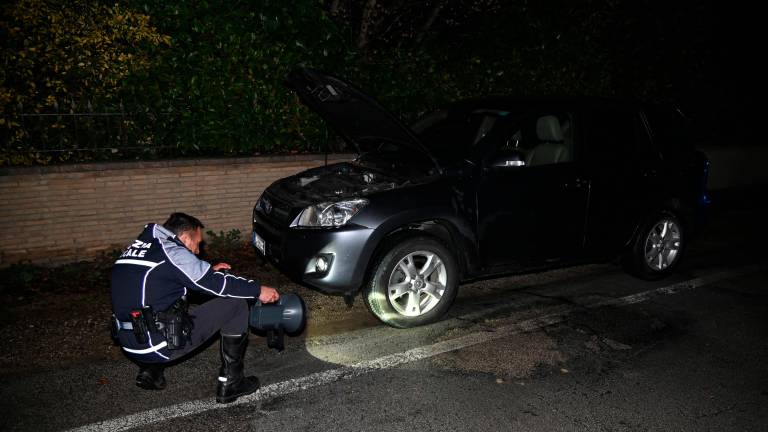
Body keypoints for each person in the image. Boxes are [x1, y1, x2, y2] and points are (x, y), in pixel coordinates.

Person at [110, 212, 280, 404]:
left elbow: (161, 283)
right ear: (184, 237)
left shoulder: (136, 249)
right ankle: (232, 383)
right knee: (236, 303)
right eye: (197, 243)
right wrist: (257, 290)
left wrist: (206, 271)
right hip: (155, 346)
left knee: (164, 303)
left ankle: (150, 370)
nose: (198, 251)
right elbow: (217, 284)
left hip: (129, 343)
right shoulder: (172, 252)